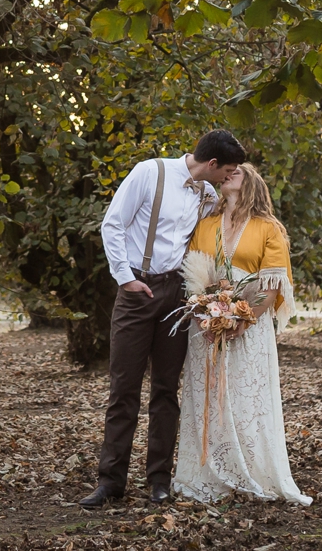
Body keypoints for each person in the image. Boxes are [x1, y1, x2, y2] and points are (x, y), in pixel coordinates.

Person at [82, 129, 248, 508]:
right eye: (229, 170)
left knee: (165, 391)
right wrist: (125, 278)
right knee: (123, 388)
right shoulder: (148, 173)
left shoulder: (207, 195)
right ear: (212, 164)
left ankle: (158, 480)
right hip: (136, 291)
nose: (228, 177)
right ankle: (110, 482)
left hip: (178, 296)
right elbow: (113, 224)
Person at [173, 164, 312, 505]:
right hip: (204, 327)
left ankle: (251, 470)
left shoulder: (268, 228)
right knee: (207, 395)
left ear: (252, 182)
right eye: (227, 173)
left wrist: (241, 320)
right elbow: (194, 276)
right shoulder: (204, 225)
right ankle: (206, 473)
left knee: (244, 399)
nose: (229, 174)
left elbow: (273, 285)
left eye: (238, 171)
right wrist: (207, 313)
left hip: (249, 327)